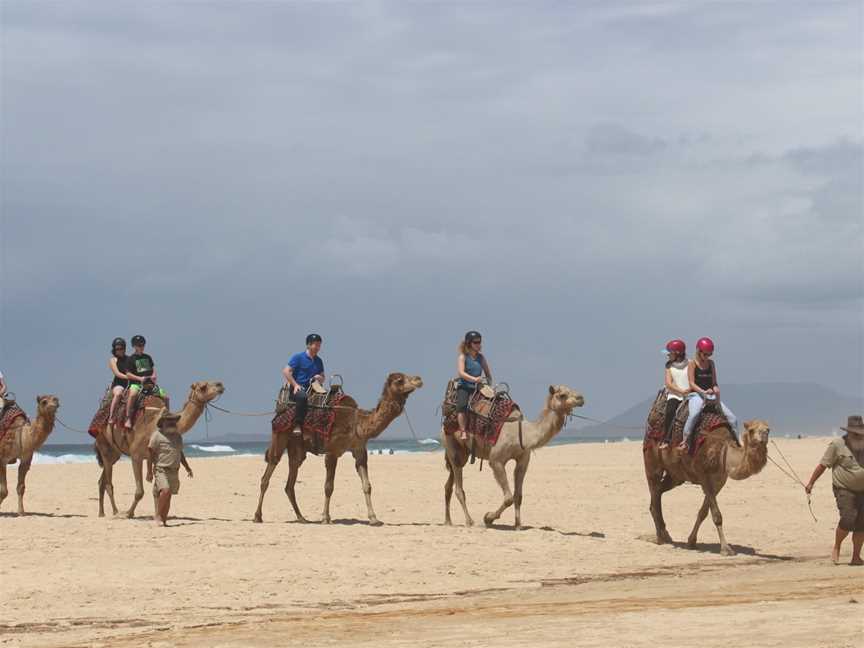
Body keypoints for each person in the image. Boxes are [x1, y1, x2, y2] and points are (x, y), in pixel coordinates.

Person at [805, 416, 864, 566]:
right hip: (844, 488)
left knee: (862, 523)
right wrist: (811, 483)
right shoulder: (837, 444)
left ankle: (856, 557)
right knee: (848, 518)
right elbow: (823, 465)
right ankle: (837, 546)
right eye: (855, 432)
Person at [679, 337, 738, 450]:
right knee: (694, 414)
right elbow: (691, 383)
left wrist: (715, 389)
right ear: (699, 351)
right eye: (705, 354)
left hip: (710, 395)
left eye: (710, 354)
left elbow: (714, 382)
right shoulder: (692, 364)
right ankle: (685, 440)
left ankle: (736, 443)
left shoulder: (711, 364)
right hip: (696, 394)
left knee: (732, 418)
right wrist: (703, 392)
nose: (707, 357)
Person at [146, 412, 193, 527]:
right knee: (166, 491)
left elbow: (180, 453)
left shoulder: (178, 437)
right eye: (169, 422)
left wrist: (187, 467)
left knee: (168, 495)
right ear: (163, 423)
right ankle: (157, 515)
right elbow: (150, 454)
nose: (172, 424)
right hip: (161, 469)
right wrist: (149, 471)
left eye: (174, 422)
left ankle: (163, 519)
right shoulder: (157, 435)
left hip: (174, 470)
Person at [282, 334, 325, 436]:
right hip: (298, 389)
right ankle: (298, 424)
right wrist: (295, 385)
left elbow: (323, 378)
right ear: (309, 345)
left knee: (329, 398)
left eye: (319, 345)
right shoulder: (298, 357)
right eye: (316, 345)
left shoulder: (319, 361)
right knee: (303, 397)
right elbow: (286, 371)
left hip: (314, 389)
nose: (318, 348)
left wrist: (320, 378)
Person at [454, 330, 493, 442]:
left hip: (478, 387)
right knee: (462, 406)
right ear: (469, 343)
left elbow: (487, 372)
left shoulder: (481, 358)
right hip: (465, 386)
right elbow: (461, 373)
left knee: (492, 404)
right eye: (475, 342)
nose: (478, 344)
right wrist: (474, 379)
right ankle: (463, 431)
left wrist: (489, 383)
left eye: (479, 342)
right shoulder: (463, 357)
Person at [125, 335, 166, 428]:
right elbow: (128, 374)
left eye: (142, 345)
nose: (141, 347)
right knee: (132, 395)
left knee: (165, 396)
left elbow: (153, 369)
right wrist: (140, 378)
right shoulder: (130, 359)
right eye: (139, 345)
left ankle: (167, 416)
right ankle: (128, 418)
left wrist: (154, 375)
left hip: (150, 384)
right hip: (136, 384)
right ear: (134, 346)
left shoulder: (148, 357)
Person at [659, 339, 689, 448]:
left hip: (689, 395)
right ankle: (667, 439)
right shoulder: (669, 366)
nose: (668, 356)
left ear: (677, 353)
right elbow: (668, 383)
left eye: (669, 353)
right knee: (670, 411)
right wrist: (681, 391)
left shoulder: (690, 364)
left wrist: (689, 391)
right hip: (675, 395)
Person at [107, 338, 132, 423]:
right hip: (119, 384)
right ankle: (111, 417)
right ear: (114, 349)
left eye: (121, 348)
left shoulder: (130, 359)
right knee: (118, 394)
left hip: (131, 384)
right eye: (117, 349)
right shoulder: (113, 360)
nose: (120, 350)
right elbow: (117, 373)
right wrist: (129, 377)